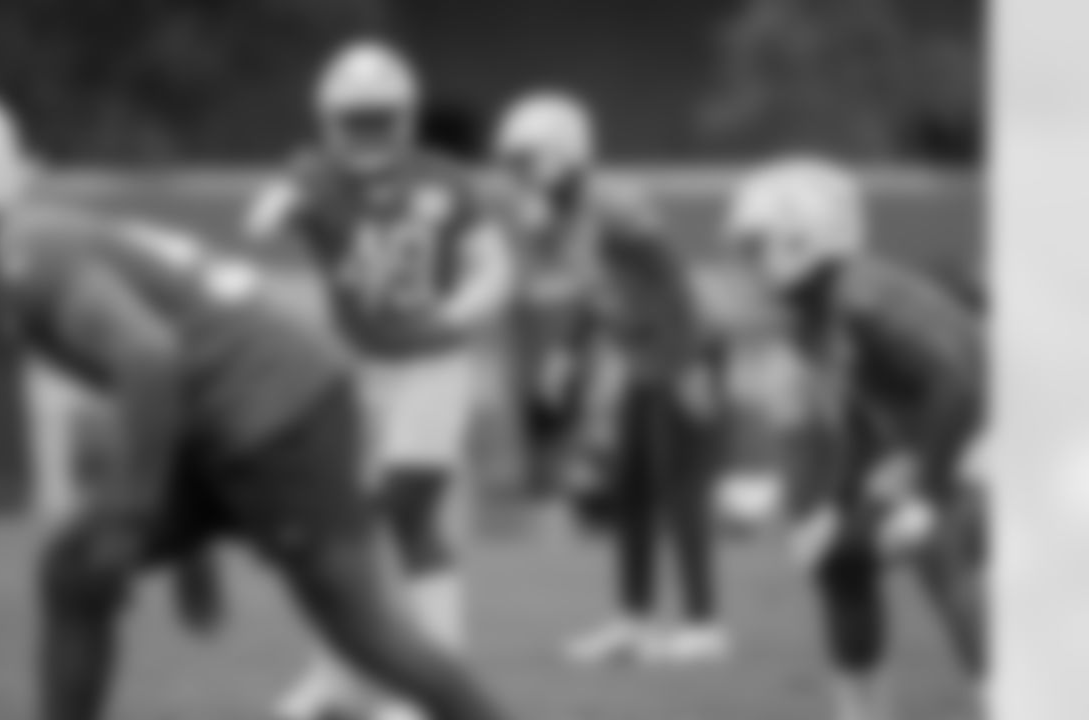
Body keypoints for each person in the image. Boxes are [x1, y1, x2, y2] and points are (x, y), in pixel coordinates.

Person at [0, 84, 520, 720]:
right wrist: (187, 546)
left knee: (366, 631)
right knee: (73, 569)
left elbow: (149, 356)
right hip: (249, 413)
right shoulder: (34, 238)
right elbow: (170, 371)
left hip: (279, 415)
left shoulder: (24, 251)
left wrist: (131, 515)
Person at [245, 41, 514, 720]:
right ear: (329, 120)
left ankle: (433, 682)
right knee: (338, 524)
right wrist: (283, 202)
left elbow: (493, 266)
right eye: (354, 119)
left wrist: (456, 313)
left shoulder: (447, 181)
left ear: (405, 116)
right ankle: (337, 676)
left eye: (378, 118)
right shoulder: (314, 177)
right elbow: (261, 222)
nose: (366, 133)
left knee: (405, 508)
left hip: (431, 361)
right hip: (357, 368)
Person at [721, 156, 988, 720]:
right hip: (938, 435)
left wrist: (926, 492)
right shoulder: (813, 315)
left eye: (758, 245)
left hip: (994, 428)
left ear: (801, 238)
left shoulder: (860, 299)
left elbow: (959, 385)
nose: (751, 262)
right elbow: (859, 421)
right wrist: (837, 508)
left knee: (941, 547)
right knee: (839, 554)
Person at [491, 91, 729, 666]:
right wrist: (565, 358)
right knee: (632, 488)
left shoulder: (612, 203)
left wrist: (690, 364)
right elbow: (595, 293)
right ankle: (634, 621)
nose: (520, 174)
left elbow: (671, 279)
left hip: (684, 345)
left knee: (680, 485)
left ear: (564, 152)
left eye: (528, 159)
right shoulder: (564, 217)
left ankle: (703, 626)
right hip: (645, 354)